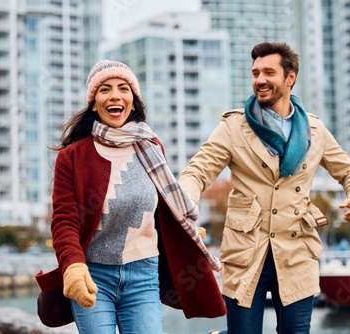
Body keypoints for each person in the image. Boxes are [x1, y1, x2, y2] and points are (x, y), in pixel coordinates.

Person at [178, 42, 350, 334]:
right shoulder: (233, 126)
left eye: (269, 72)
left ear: (290, 78)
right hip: (245, 252)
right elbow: (197, 172)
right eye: (255, 73)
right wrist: (185, 206)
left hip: (297, 250)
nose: (260, 80)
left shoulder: (315, 130)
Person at [49, 60, 226, 334]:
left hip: (144, 273)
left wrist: (185, 231)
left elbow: (163, 207)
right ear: (94, 103)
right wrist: (72, 266)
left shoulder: (151, 147)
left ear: (133, 101)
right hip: (93, 274)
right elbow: (64, 221)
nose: (115, 95)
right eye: (105, 89)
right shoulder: (72, 157)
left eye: (124, 88)